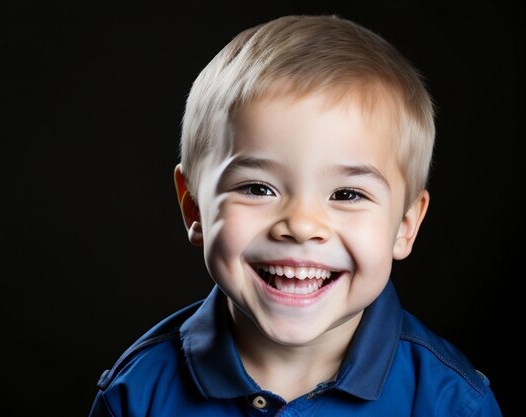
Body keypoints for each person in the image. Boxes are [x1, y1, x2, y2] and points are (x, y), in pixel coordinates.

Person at [87, 14, 503, 416]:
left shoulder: (453, 403)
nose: (302, 225)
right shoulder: (136, 394)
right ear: (194, 206)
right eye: (257, 188)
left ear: (405, 225)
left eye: (346, 193)